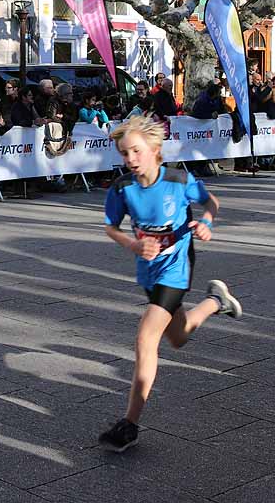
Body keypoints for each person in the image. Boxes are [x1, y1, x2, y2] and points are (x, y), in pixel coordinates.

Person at [97, 116, 241, 454]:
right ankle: (215, 302)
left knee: (147, 337)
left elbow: (211, 203)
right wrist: (132, 244)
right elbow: (110, 227)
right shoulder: (121, 188)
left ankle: (129, 424)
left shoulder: (178, 179)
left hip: (177, 268)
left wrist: (205, 222)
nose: (130, 159)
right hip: (148, 269)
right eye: (124, 153)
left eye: (136, 151)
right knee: (177, 337)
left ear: (155, 150)